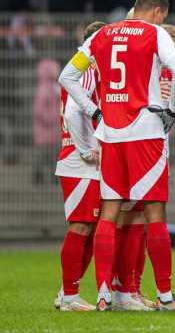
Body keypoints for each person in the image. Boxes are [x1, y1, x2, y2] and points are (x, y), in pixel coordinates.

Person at [58, 0, 175, 311]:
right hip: (145, 132)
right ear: (159, 12)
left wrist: (94, 111)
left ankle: (104, 294)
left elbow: (67, 76)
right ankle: (164, 296)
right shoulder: (155, 33)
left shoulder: (102, 34)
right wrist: (171, 111)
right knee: (153, 212)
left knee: (109, 211)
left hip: (110, 133)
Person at [53, 21, 105, 312]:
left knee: (90, 226)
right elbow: (74, 111)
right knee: (81, 226)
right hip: (78, 160)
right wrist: (87, 150)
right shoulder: (86, 69)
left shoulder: (82, 70)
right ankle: (70, 296)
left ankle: (66, 292)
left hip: (79, 158)